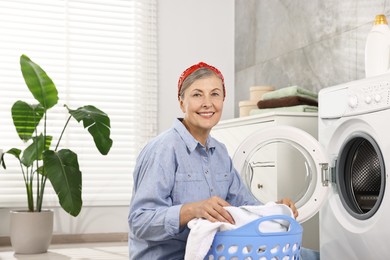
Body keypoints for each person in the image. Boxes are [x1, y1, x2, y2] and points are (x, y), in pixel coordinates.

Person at [128, 62, 319, 259]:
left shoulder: (219, 152)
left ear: (223, 100)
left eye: (215, 94)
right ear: (181, 101)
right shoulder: (163, 149)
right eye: (197, 94)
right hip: (171, 256)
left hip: (216, 251)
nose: (207, 103)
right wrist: (192, 210)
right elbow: (139, 221)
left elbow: (245, 208)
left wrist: (274, 208)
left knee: (311, 256)